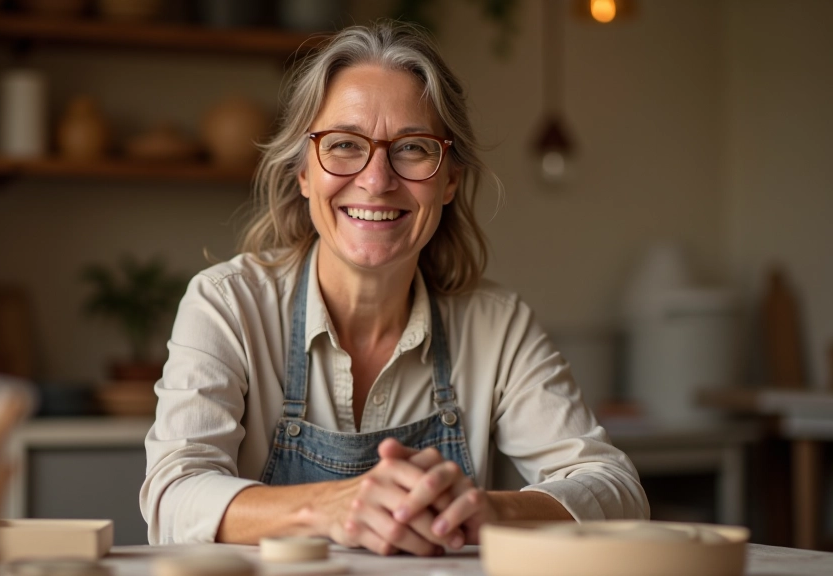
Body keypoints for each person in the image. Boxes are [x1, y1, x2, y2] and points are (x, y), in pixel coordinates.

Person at [140, 20, 648, 555]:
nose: (377, 179)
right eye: (342, 144)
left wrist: (490, 509)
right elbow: (173, 497)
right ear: (304, 173)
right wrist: (333, 507)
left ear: (449, 179)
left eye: (412, 148)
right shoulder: (226, 305)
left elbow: (616, 488)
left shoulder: (496, 325)